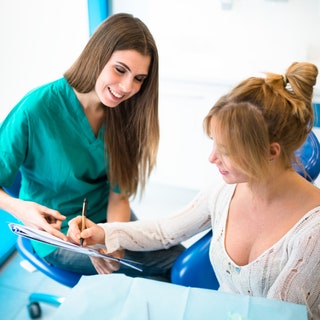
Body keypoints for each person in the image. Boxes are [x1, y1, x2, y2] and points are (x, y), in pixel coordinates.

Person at [68, 62, 320, 319]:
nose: (212, 158)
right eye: (214, 144)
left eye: (226, 151)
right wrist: (104, 232)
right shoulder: (224, 192)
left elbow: (279, 316)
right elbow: (164, 231)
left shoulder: (314, 233)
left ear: (270, 152)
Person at [0, 13, 184, 280]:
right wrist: (19, 208)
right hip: (58, 233)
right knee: (173, 268)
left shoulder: (127, 112)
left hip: (109, 220)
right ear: (97, 55)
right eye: (120, 70)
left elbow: (118, 196)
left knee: (176, 262)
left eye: (139, 79)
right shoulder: (36, 109)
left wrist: (114, 241)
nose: (126, 88)